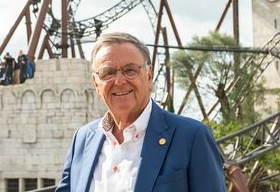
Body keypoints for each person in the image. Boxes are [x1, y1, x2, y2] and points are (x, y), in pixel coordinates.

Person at [56, 32, 225, 191]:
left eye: (130, 70)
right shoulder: (83, 139)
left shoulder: (191, 136)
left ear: (149, 76)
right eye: (108, 73)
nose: (119, 81)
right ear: (96, 84)